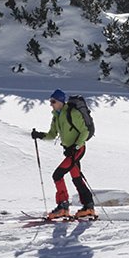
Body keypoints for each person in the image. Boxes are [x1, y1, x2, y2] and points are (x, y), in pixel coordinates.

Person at [31, 89, 96, 220]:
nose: (51, 104)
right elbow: (52, 135)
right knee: (76, 178)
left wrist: (75, 147)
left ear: (60, 101)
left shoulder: (72, 113)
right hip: (69, 151)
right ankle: (88, 206)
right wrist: (39, 135)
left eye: (53, 101)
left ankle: (63, 206)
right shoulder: (56, 115)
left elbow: (84, 132)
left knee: (57, 175)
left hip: (77, 150)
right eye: (50, 101)